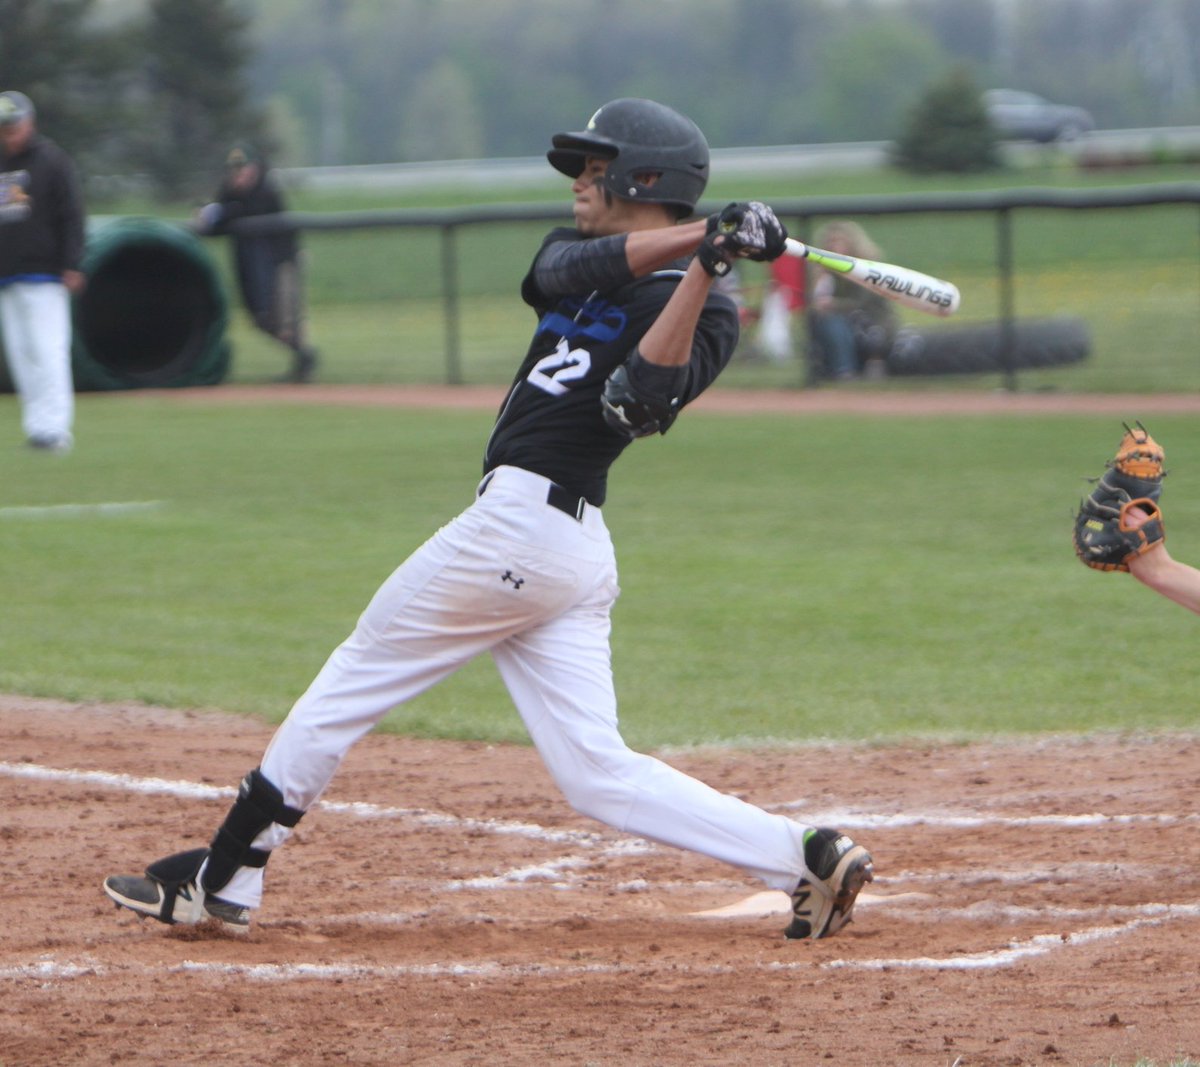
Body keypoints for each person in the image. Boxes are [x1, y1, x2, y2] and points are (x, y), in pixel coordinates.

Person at [103, 99, 874, 942]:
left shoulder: (712, 310)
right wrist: (704, 240)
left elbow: (638, 406)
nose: (580, 179)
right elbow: (565, 274)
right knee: (596, 776)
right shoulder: (570, 255)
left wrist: (707, 270)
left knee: (353, 675)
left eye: (596, 165)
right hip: (550, 548)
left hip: (530, 530)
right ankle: (805, 852)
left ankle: (227, 876)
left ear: (646, 179)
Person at [0, 90, 85, 453]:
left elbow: (72, 215)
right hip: (7, 274)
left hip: (44, 274)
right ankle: (37, 428)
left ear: (29, 123)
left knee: (48, 351)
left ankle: (55, 430)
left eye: (14, 126)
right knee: (20, 354)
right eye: (4, 128)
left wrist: (72, 263)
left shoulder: (51, 161)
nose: (9, 134)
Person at [195, 142, 318, 384]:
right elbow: (216, 221)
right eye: (234, 169)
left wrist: (224, 210)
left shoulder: (266, 191)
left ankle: (304, 359)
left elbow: (242, 211)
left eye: (243, 169)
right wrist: (205, 213)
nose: (238, 175)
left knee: (284, 318)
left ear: (255, 169)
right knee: (260, 319)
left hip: (281, 262)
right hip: (250, 266)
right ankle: (302, 356)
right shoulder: (230, 192)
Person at [805, 219, 896, 382]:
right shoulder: (826, 272)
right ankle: (841, 370)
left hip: (872, 322)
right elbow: (815, 301)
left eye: (838, 242)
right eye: (830, 243)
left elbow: (861, 303)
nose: (834, 247)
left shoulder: (867, 268)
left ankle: (850, 369)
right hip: (844, 324)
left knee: (834, 319)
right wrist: (820, 279)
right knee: (828, 319)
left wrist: (833, 304)